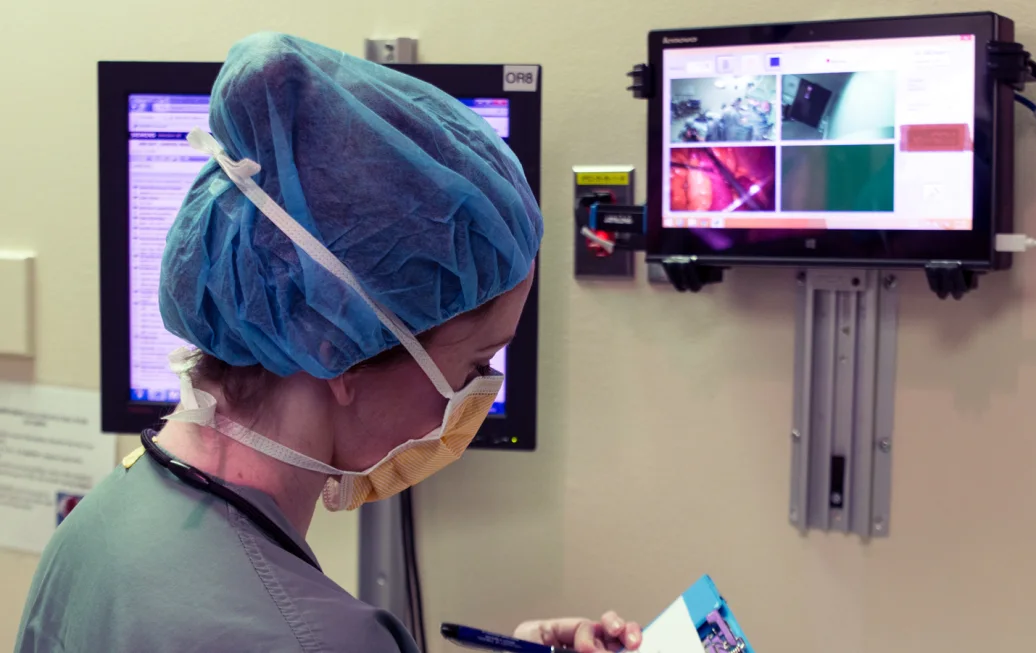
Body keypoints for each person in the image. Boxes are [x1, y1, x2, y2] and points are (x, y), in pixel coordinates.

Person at [16, 33, 643, 653]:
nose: (471, 406)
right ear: (336, 347)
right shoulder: (317, 637)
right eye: (475, 364)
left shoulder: (96, 523)